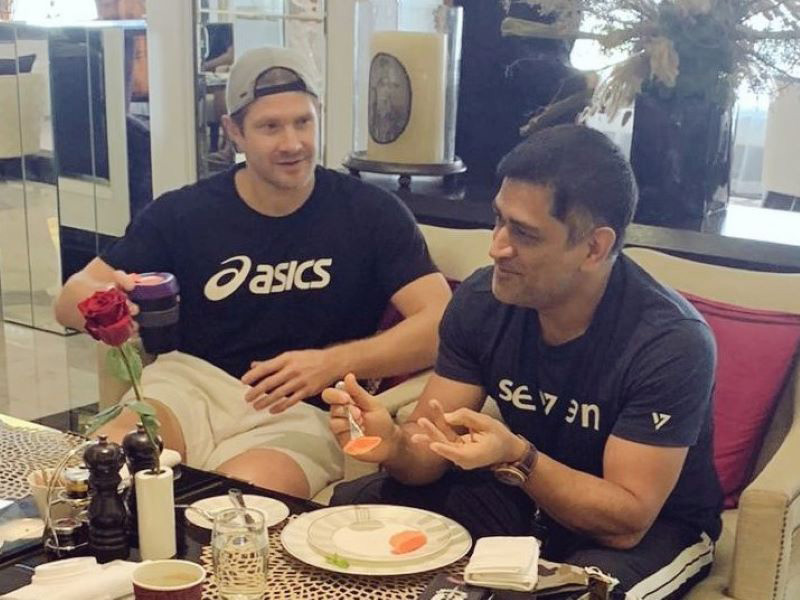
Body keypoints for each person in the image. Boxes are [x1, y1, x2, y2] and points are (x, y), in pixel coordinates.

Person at [324, 125, 723, 599]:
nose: (496, 246)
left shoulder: (669, 342)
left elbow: (626, 521)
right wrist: (393, 444)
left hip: (656, 528)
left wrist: (517, 456)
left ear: (594, 248)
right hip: (527, 498)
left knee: (583, 592)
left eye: (524, 234)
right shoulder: (482, 300)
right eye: (499, 220)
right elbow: (429, 448)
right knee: (358, 514)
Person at [54, 46, 452, 499]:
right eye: (270, 127)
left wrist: (333, 363)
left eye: (303, 122)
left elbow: (443, 325)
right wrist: (112, 302)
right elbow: (69, 299)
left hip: (301, 412)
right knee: (109, 470)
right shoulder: (184, 212)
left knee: (235, 509)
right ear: (234, 132)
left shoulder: (371, 212)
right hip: (188, 386)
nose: (292, 143)